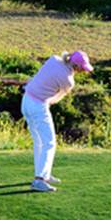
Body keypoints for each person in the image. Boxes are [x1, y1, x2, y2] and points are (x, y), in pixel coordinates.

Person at [21, 50, 93, 192]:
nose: (83, 72)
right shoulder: (68, 80)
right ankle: (39, 180)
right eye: (83, 69)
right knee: (49, 143)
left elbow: (44, 74)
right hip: (38, 106)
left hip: (26, 100)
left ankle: (44, 174)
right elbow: (56, 98)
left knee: (39, 142)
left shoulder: (54, 59)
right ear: (77, 67)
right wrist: (47, 102)